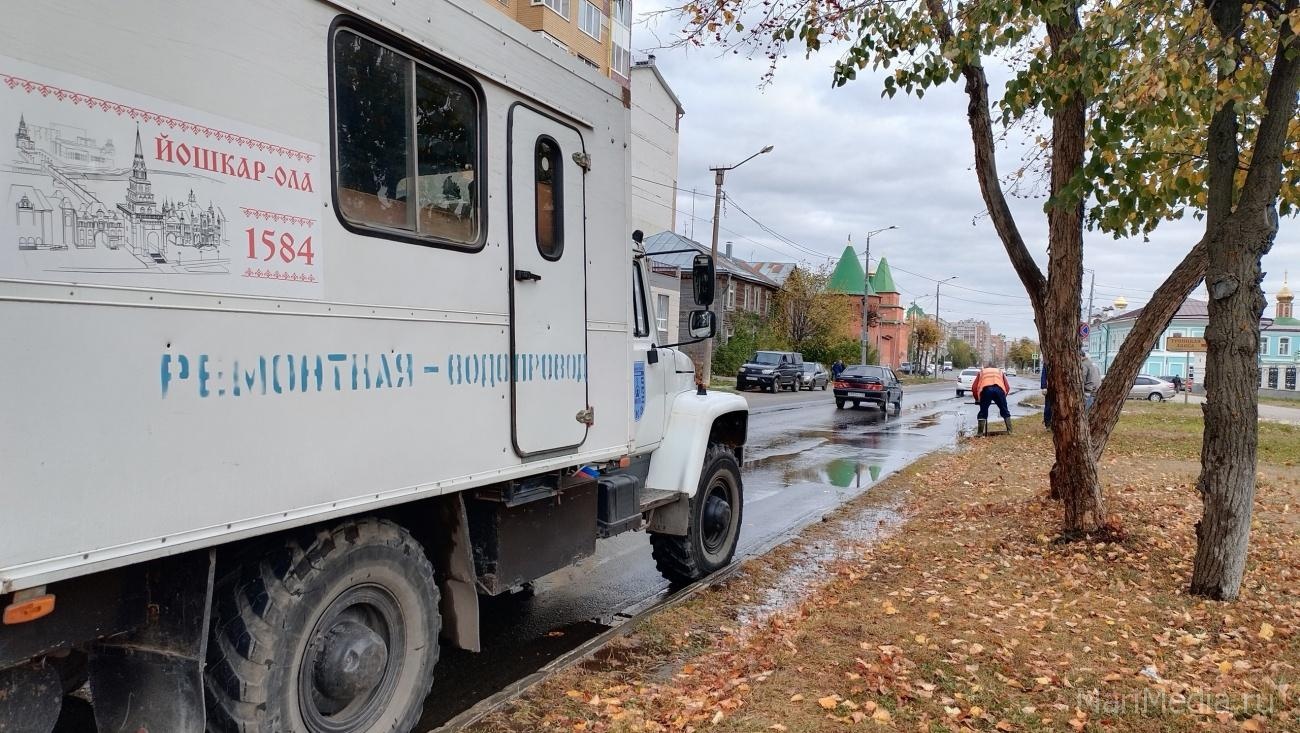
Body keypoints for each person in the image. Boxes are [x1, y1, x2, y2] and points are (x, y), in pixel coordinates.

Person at [972, 362, 1012, 435]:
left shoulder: (982, 371)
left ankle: (980, 433)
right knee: (1004, 410)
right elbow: (1007, 387)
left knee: (983, 411)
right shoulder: (999, 371)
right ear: (995, 367)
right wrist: (1003, 399)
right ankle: (1010, 431)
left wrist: (977, 399)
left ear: (986, 367)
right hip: (999, 389)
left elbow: (974, 387)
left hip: (986, 390)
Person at [1040, 362, 1052, 429]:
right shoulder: (1047, 361)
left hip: (1061, 389)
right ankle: (1048, 424)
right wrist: (1044, 386)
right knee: (1048, 407)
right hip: (1050, 388)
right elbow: (1044, 375)